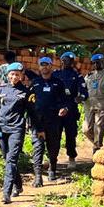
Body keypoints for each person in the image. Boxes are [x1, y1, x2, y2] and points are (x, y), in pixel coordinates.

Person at [0, 62, 38, 203]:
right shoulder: (1, 89)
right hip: (1, 128)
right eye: (12, 74)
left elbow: (32, 112)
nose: (14, 77)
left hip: (17, 129)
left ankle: (6, 193)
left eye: (17, 74)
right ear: (8, 75)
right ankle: (18, 185)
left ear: (21, 76)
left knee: (11, 159)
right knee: (6, 157)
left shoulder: (27, 92)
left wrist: (38, 129)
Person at [29, 56, 68, 186]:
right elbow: (29, 102)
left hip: (54, 120)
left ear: (51, 66)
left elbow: (64, 100)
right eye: (42, 65)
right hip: (38, 121)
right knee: (38, 148)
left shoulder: (58, 83)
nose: (44, 67)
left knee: (53, 146)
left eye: (46, 64)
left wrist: (64, 108)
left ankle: (52, 169)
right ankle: (38, 176)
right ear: (39, 67)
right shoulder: (35, 83)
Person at [52, 51, 88, 170]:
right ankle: (53, 159)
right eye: (66, 60)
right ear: (62, 61)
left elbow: (84, 92)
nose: (69, 63)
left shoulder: (77, 76)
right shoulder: (55, 74)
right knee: (54, 135)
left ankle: (71, 158)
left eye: (71, 61)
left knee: (70, 135)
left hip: (70, 110)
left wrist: (80, 98)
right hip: (56, 109)